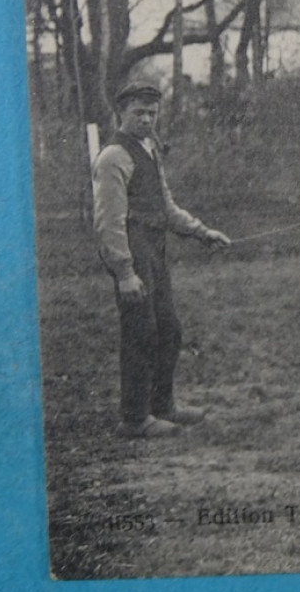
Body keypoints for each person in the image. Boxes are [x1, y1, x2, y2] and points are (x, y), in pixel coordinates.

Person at [92, 80, 232, 439]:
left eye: (152, 112)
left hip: (155, 247)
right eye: (138, 112)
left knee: (168, 329)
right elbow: (108, 222)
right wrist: (124, 272)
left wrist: (202, 232)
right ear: (120, 112)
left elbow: (166, 206)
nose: (146, 119)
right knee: (141, 331)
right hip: (131, 248)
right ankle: (135, 418)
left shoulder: (150, 148)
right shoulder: (113, 157)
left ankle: (162, 406)